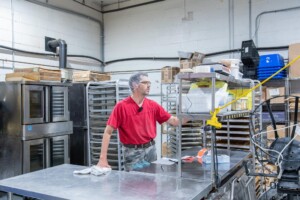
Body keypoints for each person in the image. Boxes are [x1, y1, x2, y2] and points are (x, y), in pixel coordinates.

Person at [96, 72, 182, 171]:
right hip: (132, 153)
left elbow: (174, 121)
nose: (149, 85)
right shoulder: (122, 106)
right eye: (145, 83)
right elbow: (108, 132)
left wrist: (190, 113)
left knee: (152, 181)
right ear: (134, 85)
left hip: (151, 151)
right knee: (134, 183)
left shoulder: (153, 105)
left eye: (149, 83)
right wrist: (103, 159)